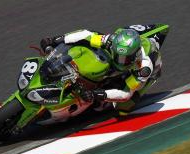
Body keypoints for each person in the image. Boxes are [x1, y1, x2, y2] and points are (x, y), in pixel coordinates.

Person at [40, 25, 168, 115]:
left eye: (124, 59)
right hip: (126, 38)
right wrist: (56, 40)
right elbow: (86, 35)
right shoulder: (111, 41)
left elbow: (125, 94)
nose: (120, 60)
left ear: (135, 56)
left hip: (148, 70)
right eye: (118, 55)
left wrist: (97, 94)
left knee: (124, 108)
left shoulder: (143, 68)